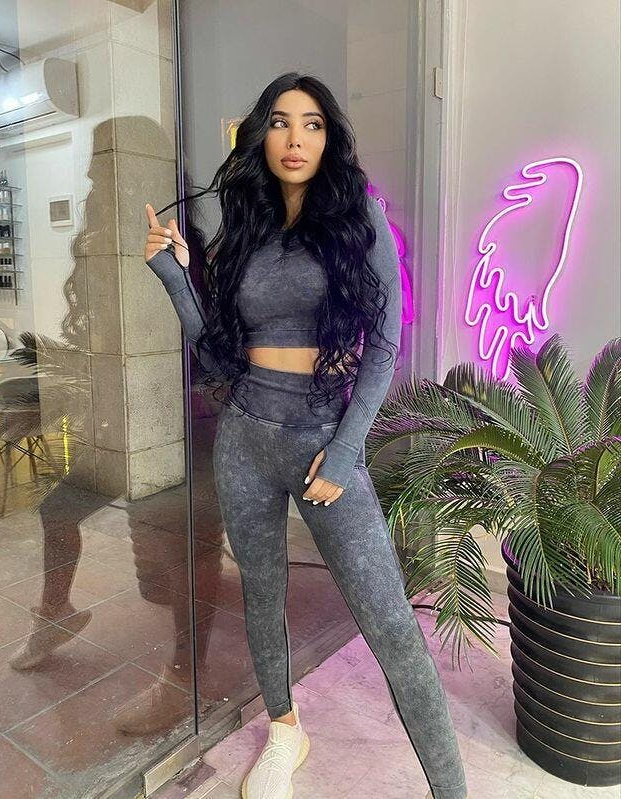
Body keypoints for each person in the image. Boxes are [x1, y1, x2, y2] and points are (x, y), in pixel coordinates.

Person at [143, 72, 468, 799]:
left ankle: (452, 788)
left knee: (389, 623)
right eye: (282, 122)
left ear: (329, 138)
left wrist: (347, 450)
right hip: (244, 439)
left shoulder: (358, 215)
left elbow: (385, 344)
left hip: (324, 437)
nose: (296, 138)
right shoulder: (248, 230)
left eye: (312, 124)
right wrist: (175, 277)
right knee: (261, 597)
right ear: (261, 134)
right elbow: (216, 361)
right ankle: (286, 730)